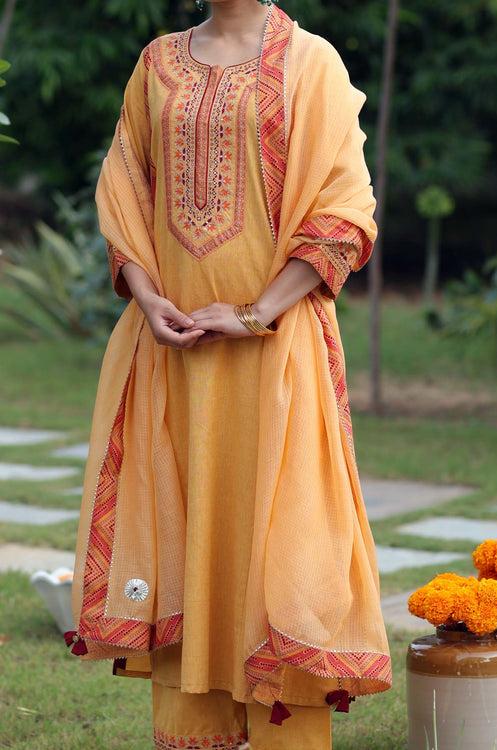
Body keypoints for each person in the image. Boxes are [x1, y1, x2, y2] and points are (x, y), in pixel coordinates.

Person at [65, 1, 393, 747]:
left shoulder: (312, 62)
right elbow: (126, 189)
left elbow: (345, 211)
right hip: (174, 357)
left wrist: (252, 313)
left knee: (283, 545)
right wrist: (149, 301)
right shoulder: (157, 64)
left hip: (275, 357)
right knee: (183, 541)